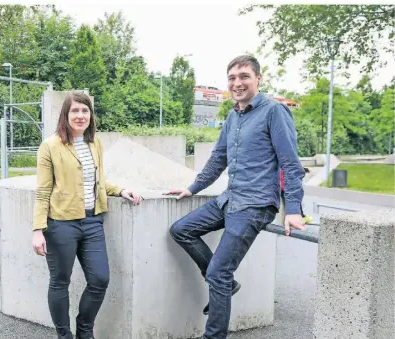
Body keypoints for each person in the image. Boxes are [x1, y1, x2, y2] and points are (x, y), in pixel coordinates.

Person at [164, 55, 306, 339]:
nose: (237, 83)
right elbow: (219, 159)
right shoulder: (233, 116)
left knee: (218, 272)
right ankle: (226, 286)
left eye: (244, 76)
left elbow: (291, 163)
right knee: (181, 230)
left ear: (258, 79)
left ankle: (213, 335)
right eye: (232, 78)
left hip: (255, 205)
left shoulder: (274, 112)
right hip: (231, 199)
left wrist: (293, 209)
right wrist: (193, 188)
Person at [31, 92, 142, 339]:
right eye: (75, 111)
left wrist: (120, 190)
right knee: (60, 281)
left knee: (100, 279)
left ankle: (84, 329)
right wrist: (38, 229)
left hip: (92, 222)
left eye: (85, 111)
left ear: (90, 115)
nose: (80, 116)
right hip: (61, 224)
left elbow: (98, 180)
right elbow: (43, 190)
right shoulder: (50, 146)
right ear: (66, 115)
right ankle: (64, 335)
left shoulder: (95, 143)